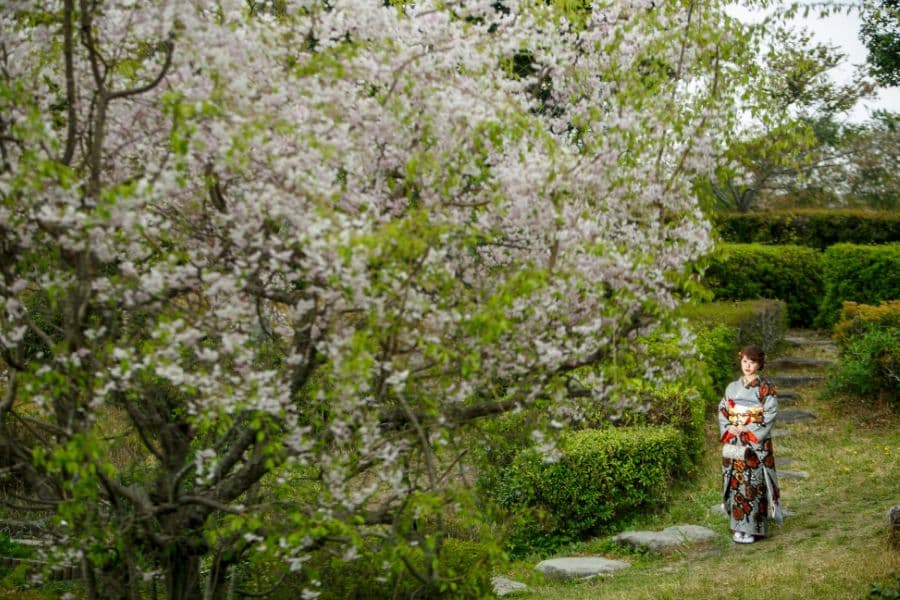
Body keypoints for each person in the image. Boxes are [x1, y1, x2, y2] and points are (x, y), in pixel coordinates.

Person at [718, 345, 784, 544]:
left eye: (752, 362)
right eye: (745, 361)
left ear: (759, 364)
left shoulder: (766, 388)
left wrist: (747, 427)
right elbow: (723, 409)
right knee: (736, 482)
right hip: (736, 439)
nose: (747, 366)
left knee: (753, 482)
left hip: (755, 442)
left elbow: (770, 413)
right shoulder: (732, 387)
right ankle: (737, 527)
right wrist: (731, 427)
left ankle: (753, 529)